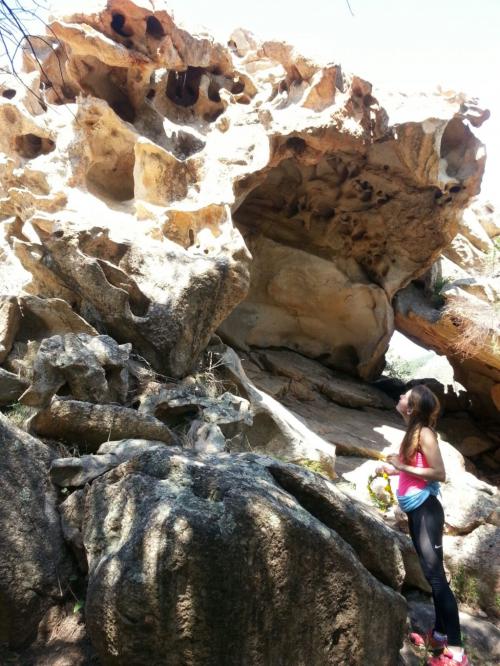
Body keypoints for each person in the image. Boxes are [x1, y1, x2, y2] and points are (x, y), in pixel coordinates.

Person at [377, 384, 468, 666]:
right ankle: (440, 636)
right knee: (432, 576)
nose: (400, 396)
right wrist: (393, 469)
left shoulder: (426, 433)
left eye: (405, 395)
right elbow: (415, 468)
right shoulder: (413, 432)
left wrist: (402, 468)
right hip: (417, 512)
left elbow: (439, 473)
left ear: (412, 407)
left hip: (427, 511)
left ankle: (457, 652)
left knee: (436, 577)